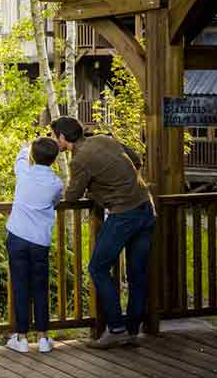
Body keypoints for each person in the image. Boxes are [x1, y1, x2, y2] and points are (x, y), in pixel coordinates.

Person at [50, 116, 155, 349]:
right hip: (146, 208)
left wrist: (96, 191)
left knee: (97, 268)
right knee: (138, 273)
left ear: (63, 138)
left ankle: (116, 329)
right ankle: (131, 331)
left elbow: (72, 196)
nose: (53, 139)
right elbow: (136, 160)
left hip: (124, 214)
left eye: (53, 135)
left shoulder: (79, 160)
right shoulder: (104, 139)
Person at [5, 137, 63, 353]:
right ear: (54, 159)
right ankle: (43, 339)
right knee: (40, 287)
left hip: (18, 237)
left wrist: (29, 144)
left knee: (21, 286)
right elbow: (56, 201)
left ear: (33, 155)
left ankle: (21, 338)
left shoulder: (23, 171)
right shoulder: (56, 183)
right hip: (40, 241)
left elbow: (20, 156)